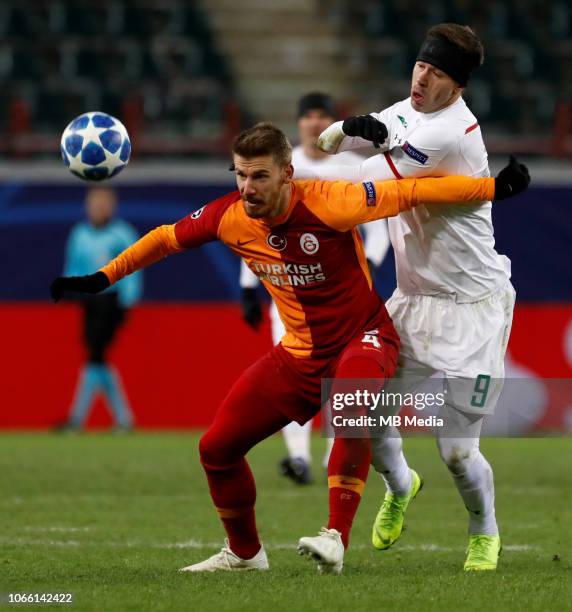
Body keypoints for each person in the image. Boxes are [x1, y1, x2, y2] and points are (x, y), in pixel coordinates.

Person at [50, 122, 528, 574]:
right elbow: (164, 240)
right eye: (240, 174)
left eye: (260, 176)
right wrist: (101, 278)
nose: (247, 187)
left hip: (363, 337)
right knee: (216, 449)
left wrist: (491, 189)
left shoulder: (331, 202)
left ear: (287, 174)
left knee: (351, 409)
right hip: (298, 353)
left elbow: (414, 191)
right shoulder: (228, 217)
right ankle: (244, 554)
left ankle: (335, 537)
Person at [309, 23, 517, 571]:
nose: (423, 78)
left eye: (439, 73)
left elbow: (369, 182)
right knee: (367, 418)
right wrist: (350, 128)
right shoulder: (413, 107)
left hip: (472, 311)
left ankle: (483, 530)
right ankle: (401, 485)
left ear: (460, 85)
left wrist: (312, 170)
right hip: (413, 301)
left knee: (456, 452)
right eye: (422, 65)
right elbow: (386, 127)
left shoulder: (453, 134)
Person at [239, 92, 390, 484]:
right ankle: (299, 458)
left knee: (340, 380)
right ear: (300, 123)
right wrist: (247, 286)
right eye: (308, 115)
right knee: (294, 374)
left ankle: (330, 458)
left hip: (341, 299)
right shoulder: (284, 168)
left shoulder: (354, 168)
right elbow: (257, 227)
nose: (315, 122)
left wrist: (367, 266)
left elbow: (379, 229)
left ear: (332, 122)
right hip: (289, 293)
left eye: (322, 115)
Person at [58, 186, 142, 432]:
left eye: (103, 205)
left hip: (112, 299)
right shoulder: (80, 234)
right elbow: (73, 265)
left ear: (111, 207)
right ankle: (123, 419)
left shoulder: (122, 234)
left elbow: (134, 268)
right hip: (89, 301)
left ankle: (77, 419)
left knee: (96, 356)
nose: (98, 209)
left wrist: (127, 302)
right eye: (94, 205)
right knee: (97, 359)